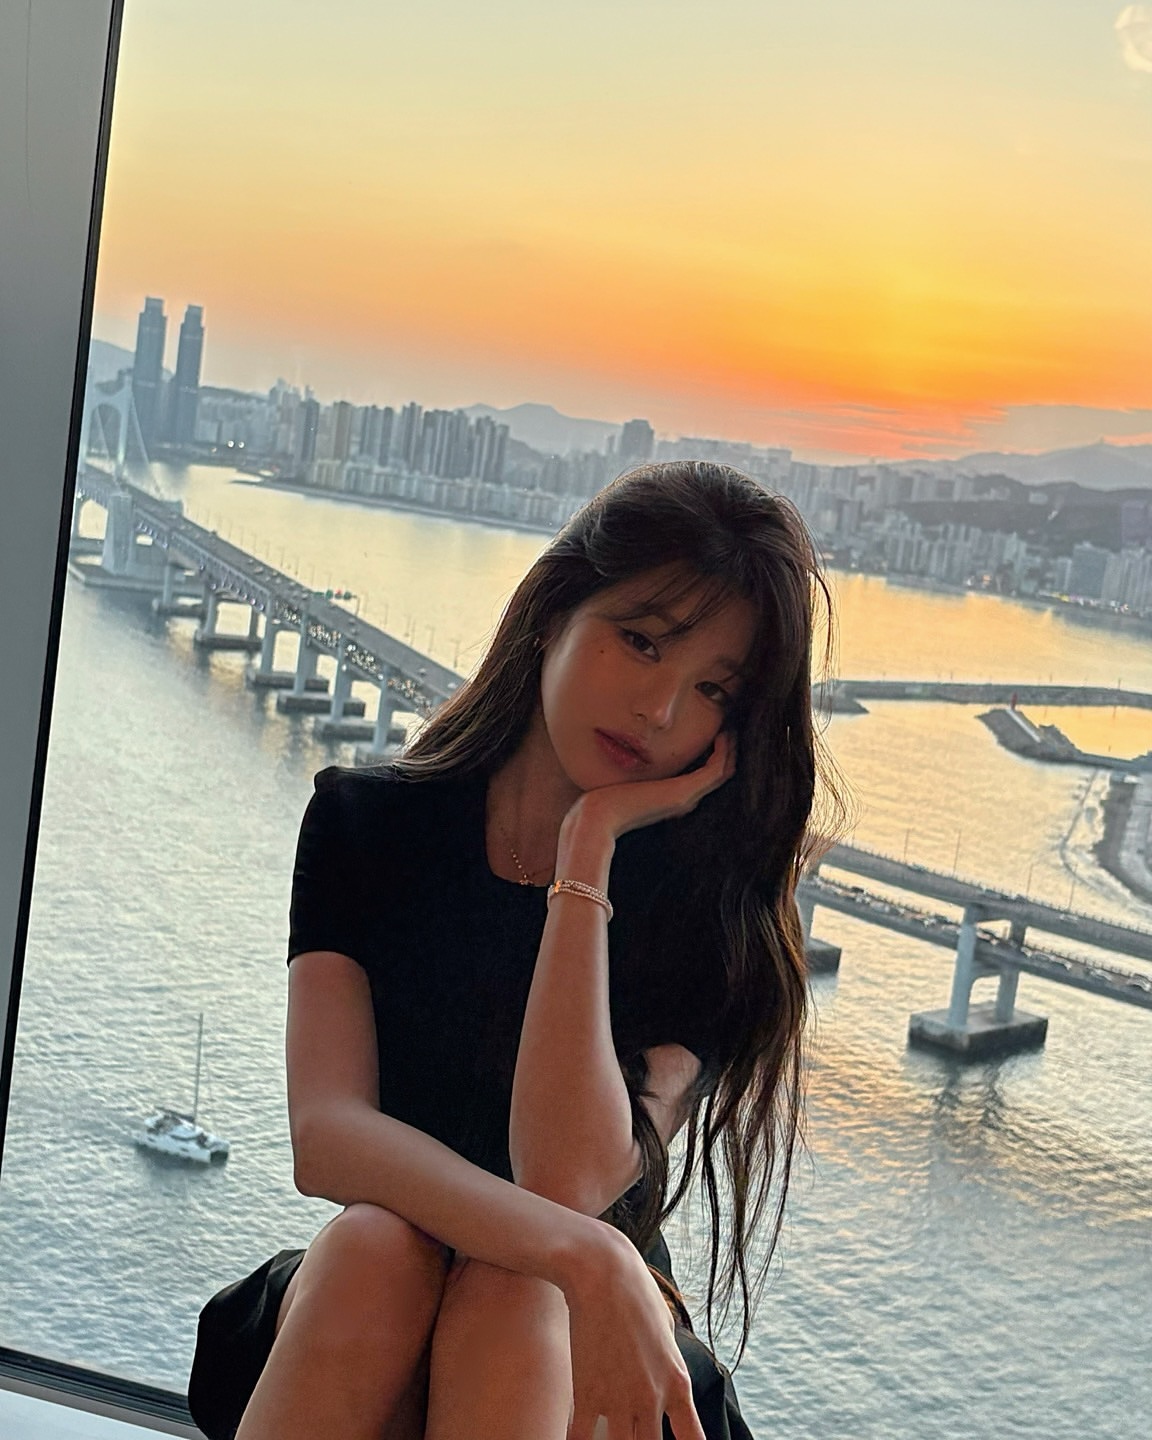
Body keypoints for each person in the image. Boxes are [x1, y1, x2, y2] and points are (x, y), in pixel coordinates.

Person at [187, 460, 844, 1440]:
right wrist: (588, 1253)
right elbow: (327, 1139)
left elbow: (563, 1183)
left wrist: (588, 853)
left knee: (512, 1290)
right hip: (388, 1295)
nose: (661, 710)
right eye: (642, 641)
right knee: (376, 1249)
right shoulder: (370, 825)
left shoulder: (712, 918)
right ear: (553, 613)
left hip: (587, 1339)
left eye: (712, 689)